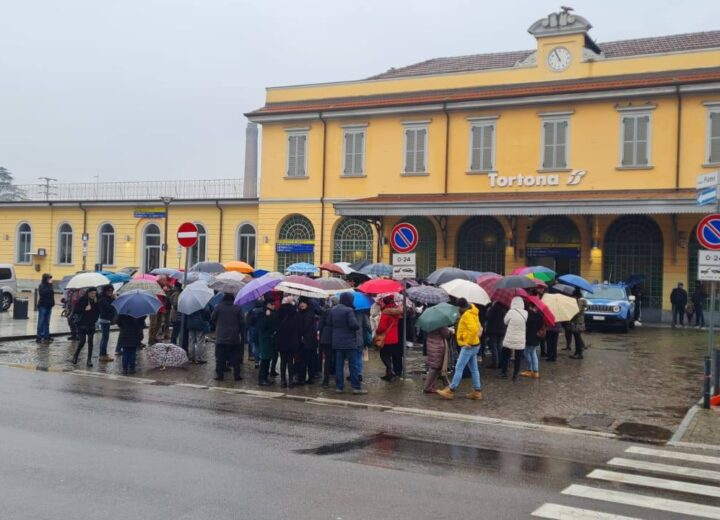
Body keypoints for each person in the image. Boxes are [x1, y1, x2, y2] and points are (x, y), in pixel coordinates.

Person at [437, 298, 483, 400]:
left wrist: (467, 342)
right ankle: (477, 391)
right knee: (474, 369)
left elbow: (473, 329)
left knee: (459, 368)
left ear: (460, 307)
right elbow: (475, 328)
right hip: (475, 344)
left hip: (468, 346)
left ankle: (451, 390)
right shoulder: (473, 311)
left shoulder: (467, 314)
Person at [329, 291, 366, 394]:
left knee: (339, 365)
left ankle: (339, 387)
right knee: (352, 365)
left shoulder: (334, 309)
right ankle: (356, 387)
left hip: (337, 342)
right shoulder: (349, 310)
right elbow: (354, 325)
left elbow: (330, 322)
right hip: (349, 342)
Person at [211, 292, 245, 382]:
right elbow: (242, 322)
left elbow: (212, 318)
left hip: (221, 336)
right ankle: (237, 375)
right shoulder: (238, 308)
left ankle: (220, 375)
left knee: (220, 357)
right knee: (235, 357)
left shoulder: (218, 307)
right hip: (234, 337)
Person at [499, 296, 527, 381]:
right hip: (520, 338)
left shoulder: (511, 312)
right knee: (518, 358)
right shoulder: (526, 313)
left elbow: (505, 321)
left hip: (509, 338)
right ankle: (515, 375)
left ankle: (504, 372)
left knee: (505, 355)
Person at [375, 295, 402, 382]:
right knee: (393, 355)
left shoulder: (385, 312)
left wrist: (377, 331)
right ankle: (389, 373)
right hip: (395, 337)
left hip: (386, 338)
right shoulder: (396, 311)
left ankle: (390, 371)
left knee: (384, 355)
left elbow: (382, 327)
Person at [275, 297, 300, 388]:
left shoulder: (279, 311)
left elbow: (276, 324)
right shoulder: (295, 312)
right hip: (292, 339)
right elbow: (298, 326)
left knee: (283, 361)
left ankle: (283, 381)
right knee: (290, 361)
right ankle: (290, 381)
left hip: (282, 339)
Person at [72, 287, 100, 366]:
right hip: (82, 324)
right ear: (88, 293)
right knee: (82, 341)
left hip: (91, 324)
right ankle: (75, 355)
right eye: (91, 293)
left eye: (94, 293)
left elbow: (98, 311)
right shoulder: (82, 299)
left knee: (90, 342)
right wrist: (85, 309)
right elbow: (76, 310)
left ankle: (89, 360)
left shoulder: (96, 301)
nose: (93, 295)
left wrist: (95, 319)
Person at [256, 297, 279, 386]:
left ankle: (265, 377)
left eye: (274, 304)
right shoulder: (262, 314)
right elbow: (261, 327)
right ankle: (262, 379)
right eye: (271, 304)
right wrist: (267, 317)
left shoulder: (273, 313)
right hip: (265, 339)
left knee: (268, 359)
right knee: (265, 359)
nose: (273, 306)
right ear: (267, 305)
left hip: (271, 339)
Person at [297, 297, 319, 384]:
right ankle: (308, 377)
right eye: (300, 303)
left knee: (307, 360)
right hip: (307, 341)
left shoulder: (309, 313)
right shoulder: (301, 313)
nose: (301, 304)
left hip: (308, 341)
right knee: (306, 360)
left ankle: (305, 378)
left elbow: (304, 326)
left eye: (304, 303)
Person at [423, 324, 451, 393]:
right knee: (434, 367)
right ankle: (427, 387)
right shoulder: (441, 323)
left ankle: (445, 383)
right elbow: (446, 334)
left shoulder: (430, 321)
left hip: (430, 344)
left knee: (437, 366)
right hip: (438, 346)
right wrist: (450, 331)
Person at [519, 303, 544, 379]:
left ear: (530, 306)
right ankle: (536, 372)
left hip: (529, 337)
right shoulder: (539, 315)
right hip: (536, 337)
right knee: (533, 353)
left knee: (526, 353)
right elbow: (540, 326)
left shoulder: (528, 315)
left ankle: (531, 369)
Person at [484, 301, 507, 369]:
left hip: (493, 330)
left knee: (493, 346)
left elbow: (487, 316)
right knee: (499, 345)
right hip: (502, 330)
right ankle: (500, 362)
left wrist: (489, 308)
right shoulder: (505, 308)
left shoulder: (493, 308)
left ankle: (495, 363)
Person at [318, 300, 335, 387]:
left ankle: (326, 381)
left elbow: (320, 326)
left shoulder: (325, 312)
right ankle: (338, 380)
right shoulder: (338, 313)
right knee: (337, 359)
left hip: (326, 338)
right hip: (336, 338)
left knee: (327, 360)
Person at [97, 285, 116, 362]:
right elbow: (110, 308)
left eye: (111, 291)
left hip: (106, 319)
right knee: (105, 338)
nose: (110, 292)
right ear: (105, 291)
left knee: (104, 338)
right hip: (104, 320)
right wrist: (113, 300)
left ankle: (103, 354)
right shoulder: (103, 299)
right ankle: (102, 355)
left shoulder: (105, 298)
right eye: (108, 291)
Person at [567, 291, 587, 360]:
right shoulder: (579, 301)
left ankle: (579, 353)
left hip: (578, 322)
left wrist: (570, 312)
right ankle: (577, 352)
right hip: (577, 321)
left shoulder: (579, 301)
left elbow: (577, 311)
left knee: (577, 337)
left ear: (576, 296)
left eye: (573, 296)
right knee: (576, 337)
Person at [36, 273, 54, 344]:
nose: (49, 279)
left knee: (47, 322)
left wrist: (53, 303)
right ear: (45, 279)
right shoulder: (41, 285)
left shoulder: (50, 285)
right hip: (42, 306)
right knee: (41, 322)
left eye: (50, 278)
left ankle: (47, 336)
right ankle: (39, 337)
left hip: (49, 306)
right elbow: (44, 293)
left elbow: (51, 295)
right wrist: (50, 285)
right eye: (48, 278)